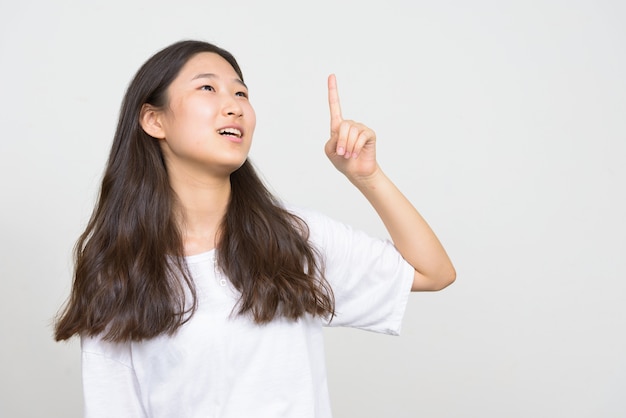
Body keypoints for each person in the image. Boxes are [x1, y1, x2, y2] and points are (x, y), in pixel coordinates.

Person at [54, 39, 455, 418]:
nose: (234, 107)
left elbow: (434, 272)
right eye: (208, 89)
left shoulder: (293, 238)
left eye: (241, 93)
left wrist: (367, 177)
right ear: (154, 119)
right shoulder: (121, 269)